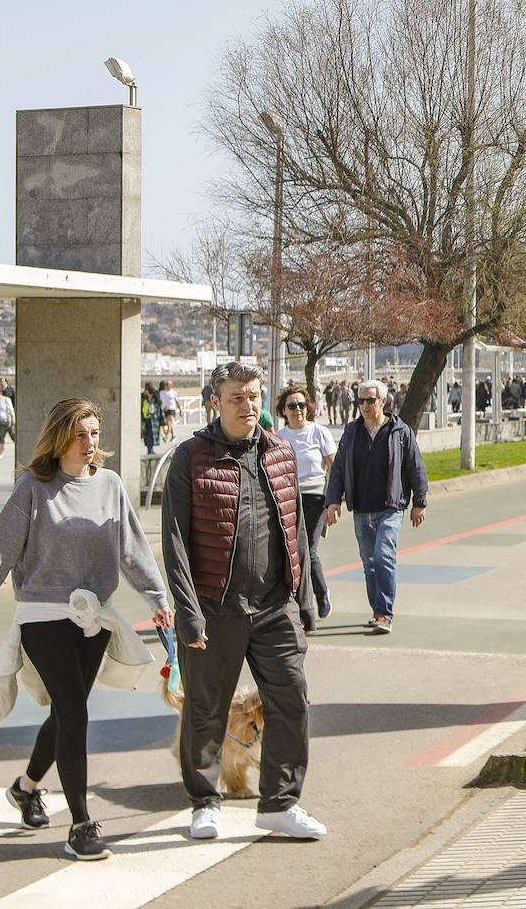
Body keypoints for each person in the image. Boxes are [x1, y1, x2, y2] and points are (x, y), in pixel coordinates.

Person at [0, 398, 171, 860]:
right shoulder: (33, 487)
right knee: (74, 712)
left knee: (65, 715)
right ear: (59, 438)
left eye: (94, 434)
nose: (90, 443)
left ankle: (25, 787)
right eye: (80, 435)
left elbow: (132, 548)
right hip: (43, 616)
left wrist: (157, 599)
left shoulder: (110, 485)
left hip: (94, 618)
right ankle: (80, 825)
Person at [161, 361, 325, 842]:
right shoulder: (191, 458)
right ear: (215, 401)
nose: (248, 405)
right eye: (236, 397)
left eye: (254, 395)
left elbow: (295, 529)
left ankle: (280, 803)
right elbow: (174, 541)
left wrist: (304, 598)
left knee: (291, 698)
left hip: (275, 605)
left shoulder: (280, 451)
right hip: (215, 606)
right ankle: (204, 802)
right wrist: (189, 612)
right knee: (205, 710)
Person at [324, 379, 429, 634]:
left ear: (383, 402)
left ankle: (384, 613)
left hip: (390, 507)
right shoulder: (352, 431)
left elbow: (415, 467)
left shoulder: (400, 431)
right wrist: (333, 500)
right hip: (361, 509)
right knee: (369, 563)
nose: (365, 406)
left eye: (370, 400)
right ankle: (377, 610)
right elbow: (339, 468)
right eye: (361, 401)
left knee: (383, 556)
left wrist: (420, 502)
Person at [276, 386, 337, 619]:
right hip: (289, 500)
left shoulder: (320, 432)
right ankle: (295, 601)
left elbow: (334, 469)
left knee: (308, 551)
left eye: (301, 405)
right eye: (292, 406)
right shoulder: (280, 437)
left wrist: (333, 502)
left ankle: (321, 595)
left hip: (316, 499)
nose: (298, 410)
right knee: (290, 552)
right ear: (284, 410)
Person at [140, 382, 163, 455]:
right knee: (148, 435)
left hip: (152, 420)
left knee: (150, 435)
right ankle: (150, 450)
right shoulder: (143, 397)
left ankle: (150, 450)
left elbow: (157, 411)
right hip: (146, 419)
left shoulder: (154, 400)